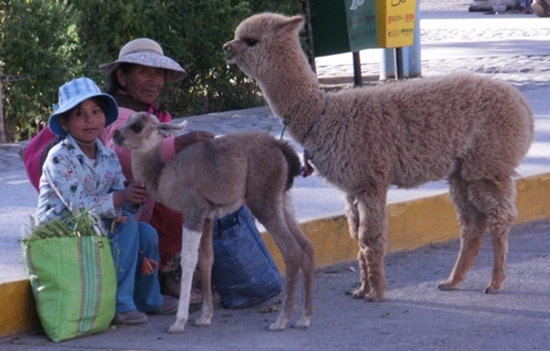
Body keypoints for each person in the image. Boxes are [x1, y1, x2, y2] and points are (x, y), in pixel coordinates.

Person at [36, 77, 178, 325]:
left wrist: (132, 196)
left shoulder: (108, 156)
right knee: (127, 227)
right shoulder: (58, 158)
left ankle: (148, 298)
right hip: (65, 229)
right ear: (64, 123)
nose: (89, 119)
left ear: (104, 117)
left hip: (100, 223)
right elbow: (77, 206)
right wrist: (118, 198)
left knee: (146, 233)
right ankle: (120, 304)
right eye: (79, 114)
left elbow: (120, 198)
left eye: (95, 111)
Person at [98, 38, 216, 302]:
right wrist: (182, 142)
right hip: (120, 210)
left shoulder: (149, 113)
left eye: (159, 73)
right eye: (144, 72)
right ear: (121, 76)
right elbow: (125, 156)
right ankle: (169, 271)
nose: (154, 80)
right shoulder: (115, 114)